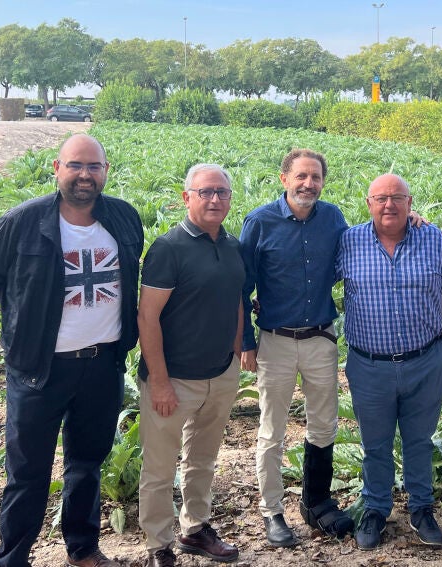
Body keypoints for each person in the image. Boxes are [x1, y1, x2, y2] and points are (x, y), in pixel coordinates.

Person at [0, 134, 143, 567]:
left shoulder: (124, 218)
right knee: (27, 473)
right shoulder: (22, 221)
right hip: (38, 369)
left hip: (102, 365)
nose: (85, 175)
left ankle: (83, 549)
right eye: (75, 165)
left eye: (93, 166)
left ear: (105, 171)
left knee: (87, 465)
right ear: (57, 168)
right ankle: (13, 559)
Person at [337, 174, 442, 551]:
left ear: (410, 203)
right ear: (368, 203)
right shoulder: (348, 241)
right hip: (369, 365)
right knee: (375, 443)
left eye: (397, 197)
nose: (389, 205)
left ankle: (421, 508)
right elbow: (312, 281)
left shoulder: (432, 238)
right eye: (381, 198)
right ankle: (376, 509)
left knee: (419, 441)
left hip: (424, 360)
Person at [238, 149, 353, 546]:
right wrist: (246, 342)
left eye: (315, 177)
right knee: (272, 430)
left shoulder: (333, 218)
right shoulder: (259, 222)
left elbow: (361, 247)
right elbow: (242, 287)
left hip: (321, 339)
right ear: (284, 178)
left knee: (324, 423)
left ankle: (316, 501)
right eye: (301, 176)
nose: (308, 184)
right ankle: (272, 511)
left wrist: (411, 219)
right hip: (276, 341)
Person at [137, 164, 244, 566]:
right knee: (160, 468)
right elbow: (147, 316)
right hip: (174, 379)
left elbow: (236, 299)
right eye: (205, 192)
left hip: (220, 374)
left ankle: (195, 528)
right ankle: (158, 545)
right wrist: (160, 381)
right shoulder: (168, 248)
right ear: (187, 198)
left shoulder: (232, 245)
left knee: (202, 460)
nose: (215, 199)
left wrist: (235, 353)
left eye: (222, 192)